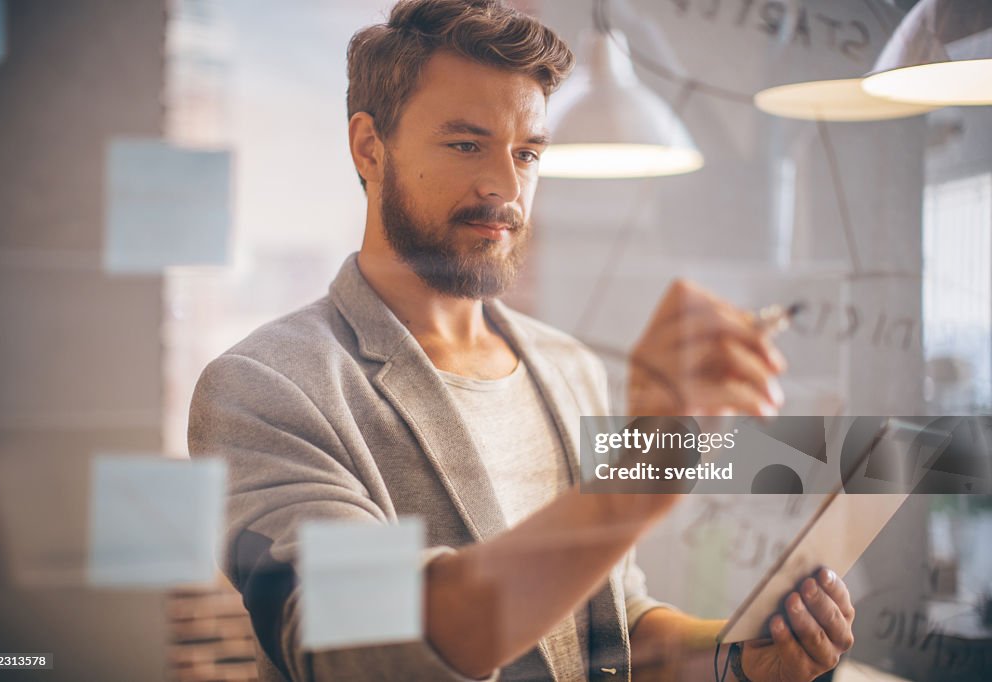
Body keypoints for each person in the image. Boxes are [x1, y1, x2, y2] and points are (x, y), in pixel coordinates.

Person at [188, 1, 855, 680]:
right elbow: (361, 643)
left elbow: (611, 624)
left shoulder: (570, 368)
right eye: (465, 144)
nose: (505, 188)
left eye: (527, 152)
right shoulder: (261, 388)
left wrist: (740, 657)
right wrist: (642, 479)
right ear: (369, 147)